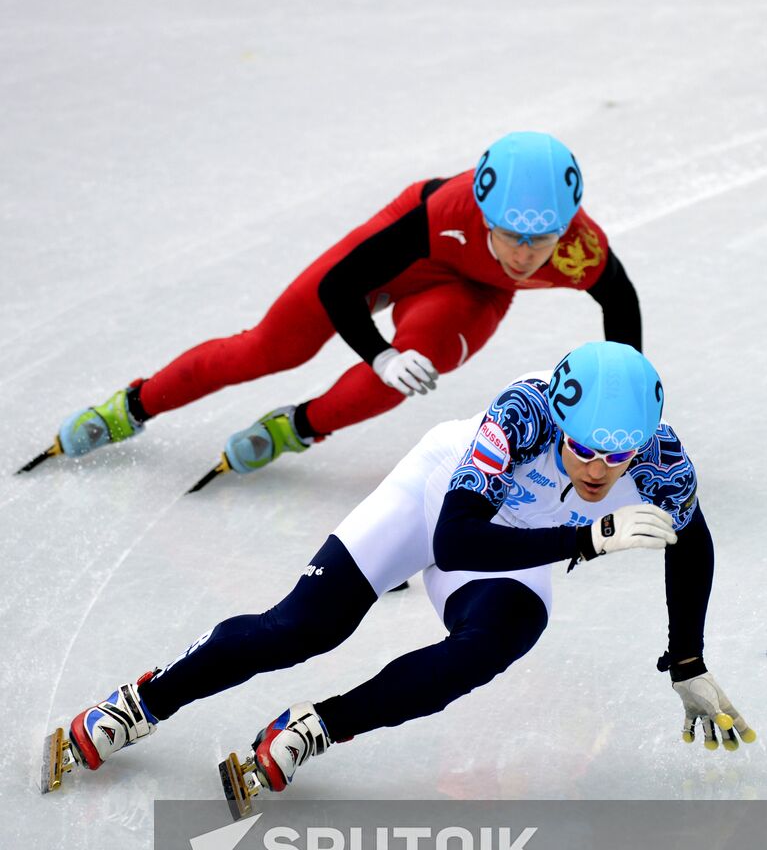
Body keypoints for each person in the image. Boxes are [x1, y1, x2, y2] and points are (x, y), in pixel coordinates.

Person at [44, 342, 755, 806]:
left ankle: (317, 727)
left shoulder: (660, 460)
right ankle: (141, 704)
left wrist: (685, 658)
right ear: (560, 422)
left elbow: (689, 542)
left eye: (618, 456)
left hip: (527, 541)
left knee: (491, 645)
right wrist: (587, 539)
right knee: (300, 629)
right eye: (584, 451)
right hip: (439, 497)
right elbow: (454, 540)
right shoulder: (522, 416)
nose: (600, 470)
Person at [49, 132, 642, 477]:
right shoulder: (442, 214)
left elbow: (621, 308)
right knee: (271, 348)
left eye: (542, 239)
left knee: (422, 360)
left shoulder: (578, 249)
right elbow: (340, 288)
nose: (525, 254)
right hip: (413, 256)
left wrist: (617, 402)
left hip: (469, 292)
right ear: (486, 216)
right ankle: (135, 403)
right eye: (512, 234)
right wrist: (377, 354)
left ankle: (297, 427)